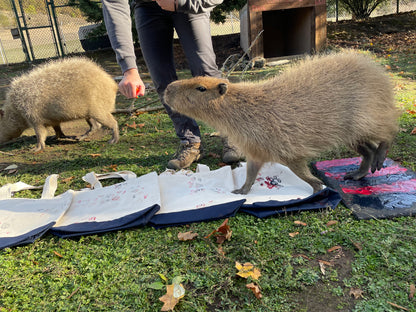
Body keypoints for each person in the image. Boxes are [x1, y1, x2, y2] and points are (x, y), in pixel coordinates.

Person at [102, 0, 242, 169]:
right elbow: (114, 4)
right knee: (163, 82)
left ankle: (232, 135)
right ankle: (190, 142)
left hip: (189, 4)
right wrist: (129, 68)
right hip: (147, 8)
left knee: (206, 73)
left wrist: (179, 3)